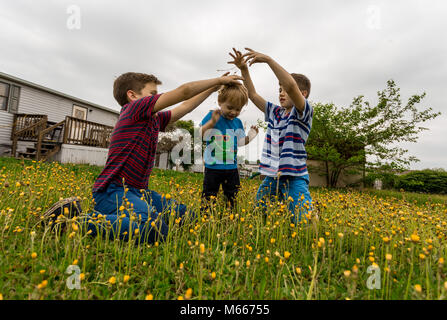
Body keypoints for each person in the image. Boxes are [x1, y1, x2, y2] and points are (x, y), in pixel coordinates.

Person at [44, 71, 243, 244]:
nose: (156, 98)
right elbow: (184, 91)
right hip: (112, 190)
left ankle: (112, 217)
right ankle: (72, 222)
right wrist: (217, 80)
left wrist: (214, 87)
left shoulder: (153, 118)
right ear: (132, 96)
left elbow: (185, 107)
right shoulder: (134, 110)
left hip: (139, 192)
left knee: (187, 218)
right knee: (156, 229)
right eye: (153, 94)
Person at [228, 48, 313, 223]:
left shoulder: (303, 112)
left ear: (302, 94)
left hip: (295, 176)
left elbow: (290, 84)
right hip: (273, 176)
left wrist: (268, 60)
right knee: (258, 213)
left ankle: (313, 228)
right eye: (279, 89)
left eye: (285, 90)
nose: (281, 92)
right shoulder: (275, 112)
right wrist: (244, 68)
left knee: (302, 220)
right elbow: (252, 94)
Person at [200, 84, 258, 212]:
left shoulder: (237, 122)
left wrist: (250, 136)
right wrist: (211, 123)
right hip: (213, 167)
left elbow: (241, 142)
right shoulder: (212, 115)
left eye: (238, 109)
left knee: (233, 195)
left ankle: (231, 217)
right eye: (230, 107)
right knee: (209, 194)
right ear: (220, 102)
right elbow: (201, 135)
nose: (233, 112)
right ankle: (205, 217)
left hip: (231, 168)